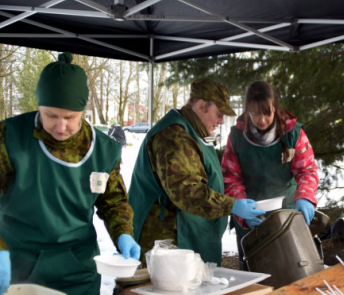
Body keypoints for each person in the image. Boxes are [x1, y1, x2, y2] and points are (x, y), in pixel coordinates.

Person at [0, 52, 141, 295]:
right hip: (20, 270)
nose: (60, 126)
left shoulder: (102, 150)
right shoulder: (7, 140)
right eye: (50, 115)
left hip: (76, 270)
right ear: (38, 106)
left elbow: (114, 203)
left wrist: (124, 234)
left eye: (70, 117)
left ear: (83, 111)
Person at [128, 78, 265, 267]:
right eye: (218, 114)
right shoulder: (175, 136)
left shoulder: (193, 132)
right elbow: (186, 191)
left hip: (187, 234)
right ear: (201, 106)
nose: (221, 121)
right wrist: (231, 206)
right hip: (166, 241)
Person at [220, 81, 319, 271]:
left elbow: (307, 170)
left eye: (267, 113)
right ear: (247, 110)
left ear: (276, 107)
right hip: (251, 219)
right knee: (254, 275)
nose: (262, 119)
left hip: (288, 216)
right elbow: (230, 178)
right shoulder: (237, 137)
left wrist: (305, 197)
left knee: (292, 271)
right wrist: (241, 211)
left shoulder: (293, 133)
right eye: (255, 113)